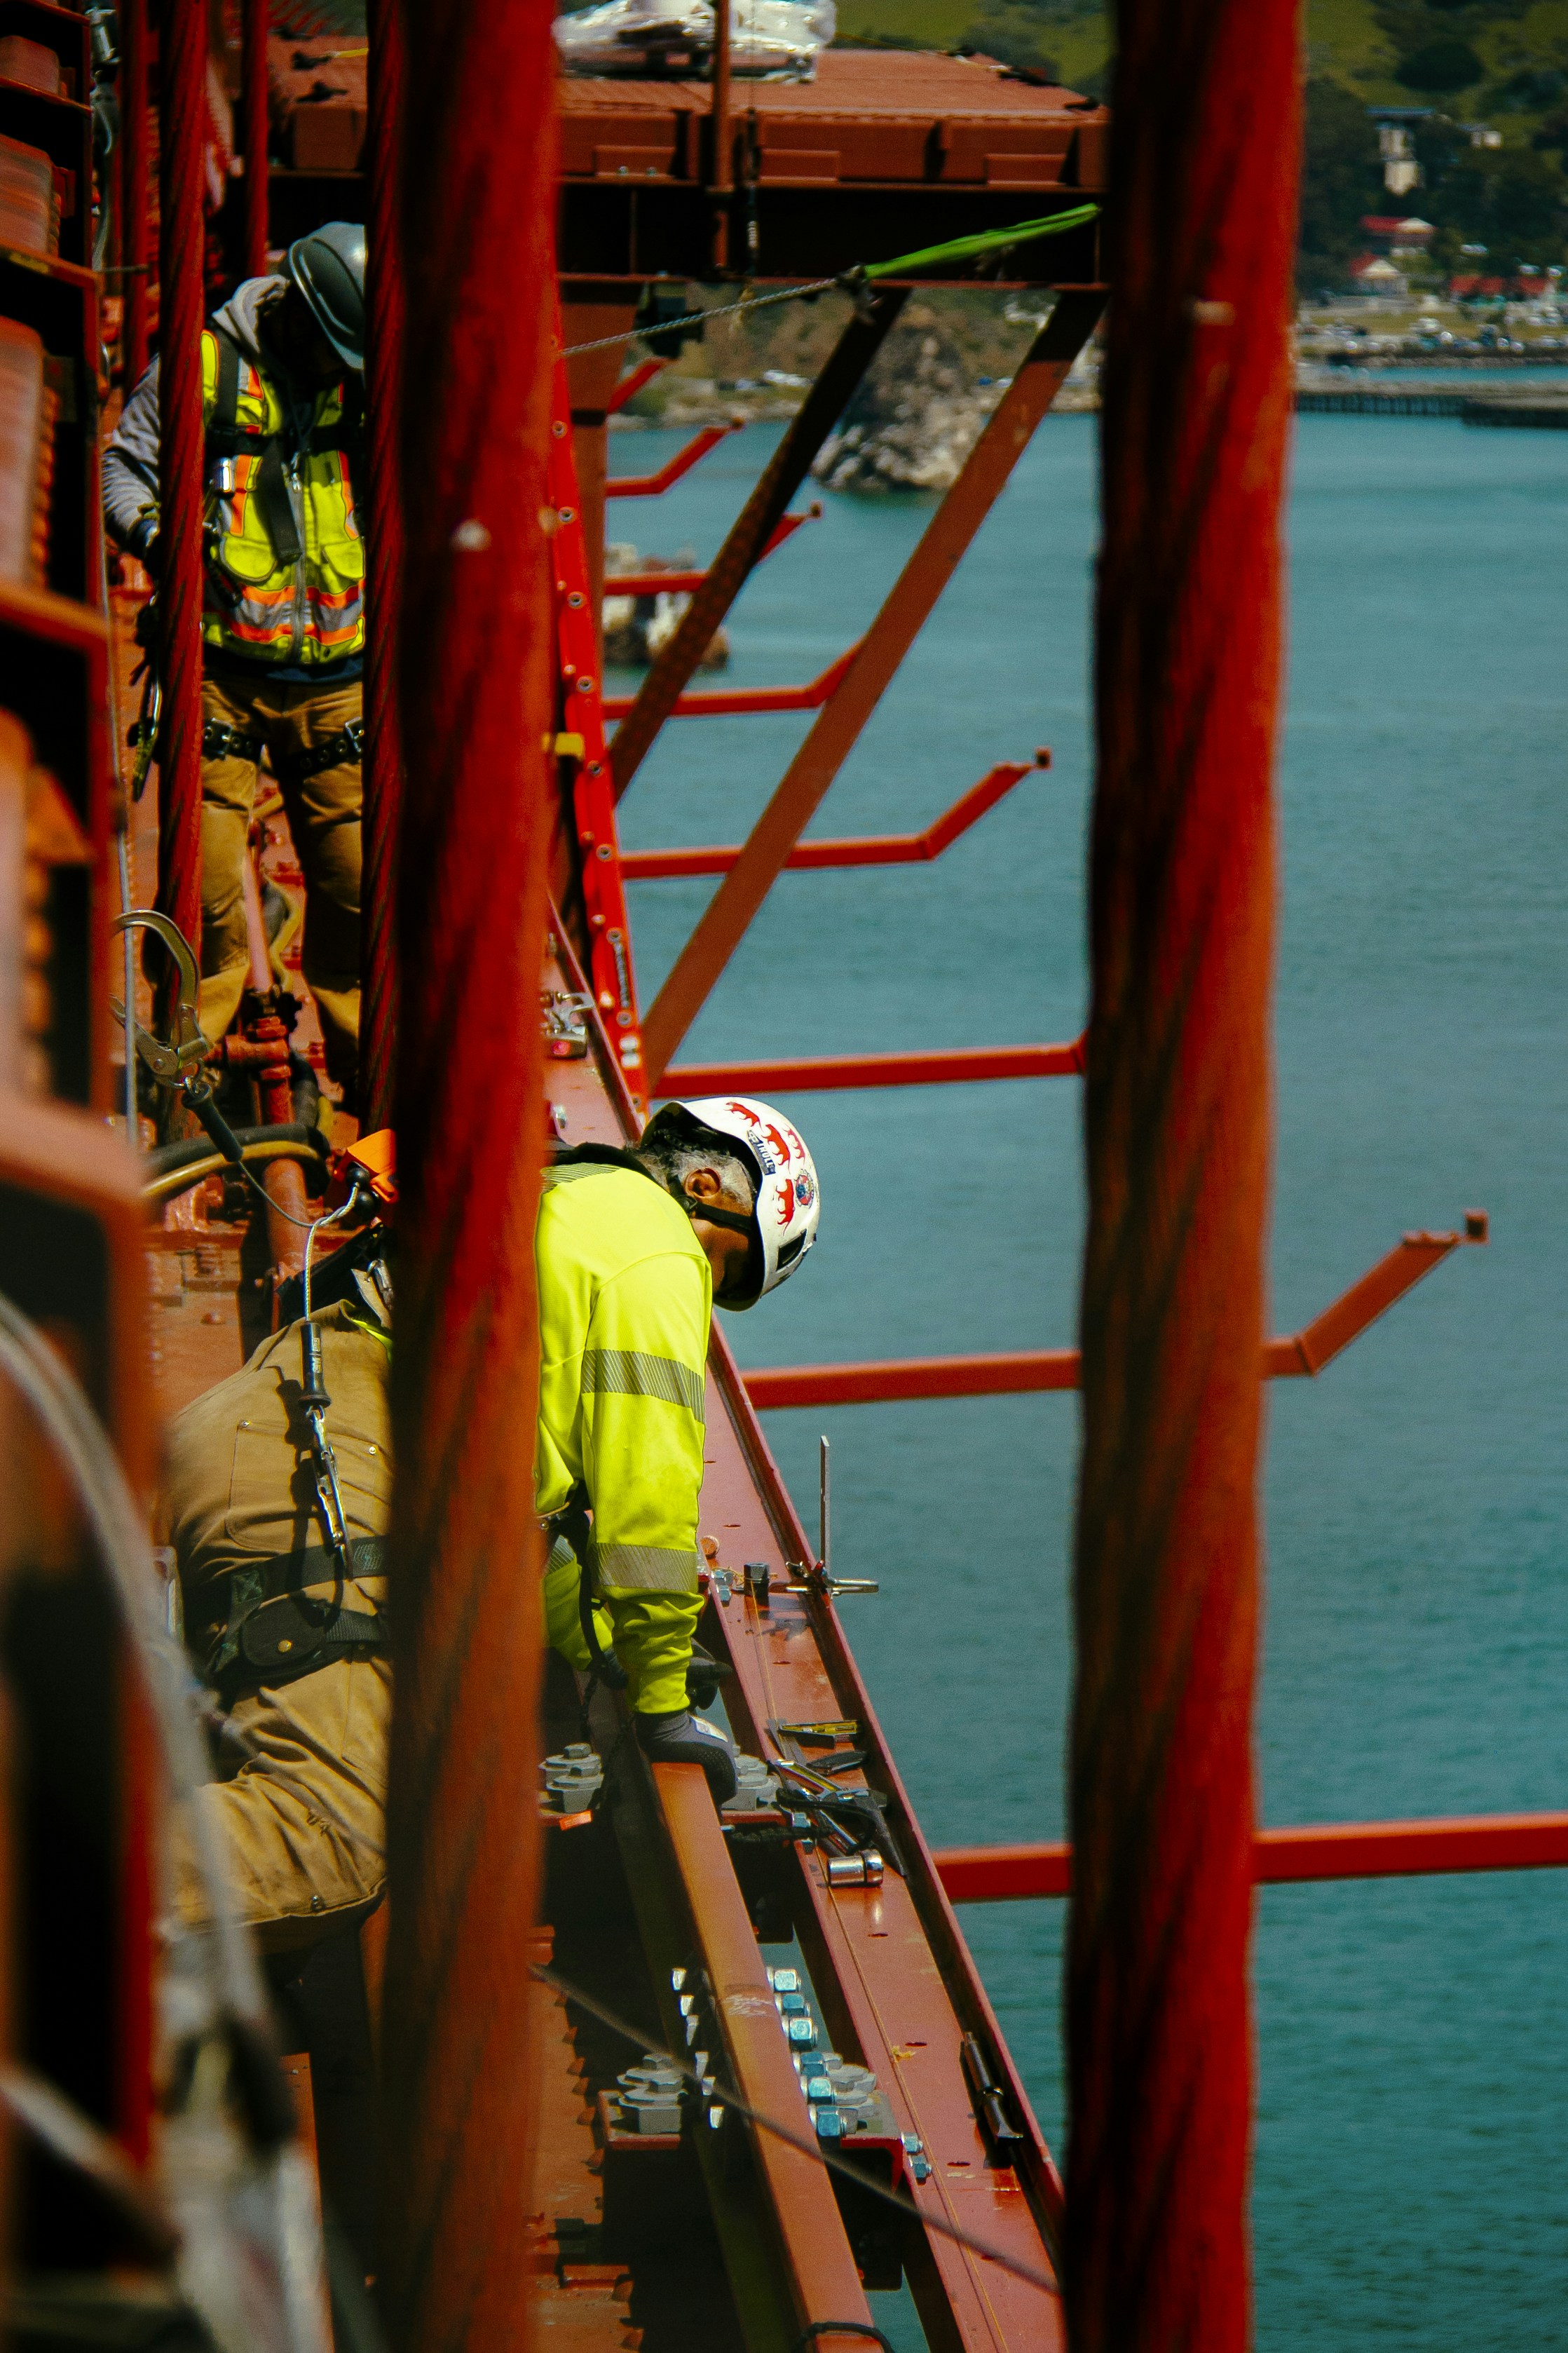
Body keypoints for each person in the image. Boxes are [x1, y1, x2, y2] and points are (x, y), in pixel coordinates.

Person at [161, 1096, 819, 1945]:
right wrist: (658, 1700)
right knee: (329, 1835)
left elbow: (529, 1525)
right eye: (724, 1268)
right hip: (329, 1463)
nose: (705, 1293)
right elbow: (647, 1503)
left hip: (274, 1436)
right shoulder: (657, 1243)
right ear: (701, 1185)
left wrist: (600, 1648)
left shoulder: (557, 1194)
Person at [104, 224, 368, 1104]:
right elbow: (121, 472)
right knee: (207, 892)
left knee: (358, 887)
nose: (336, 372)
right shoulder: (206, 368)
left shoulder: (365, 378)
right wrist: (165, 541)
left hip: (335, 684)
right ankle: (187, 1078)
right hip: (222, 673)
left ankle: (367, 1079)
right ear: (293, 310)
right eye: (332, 353)